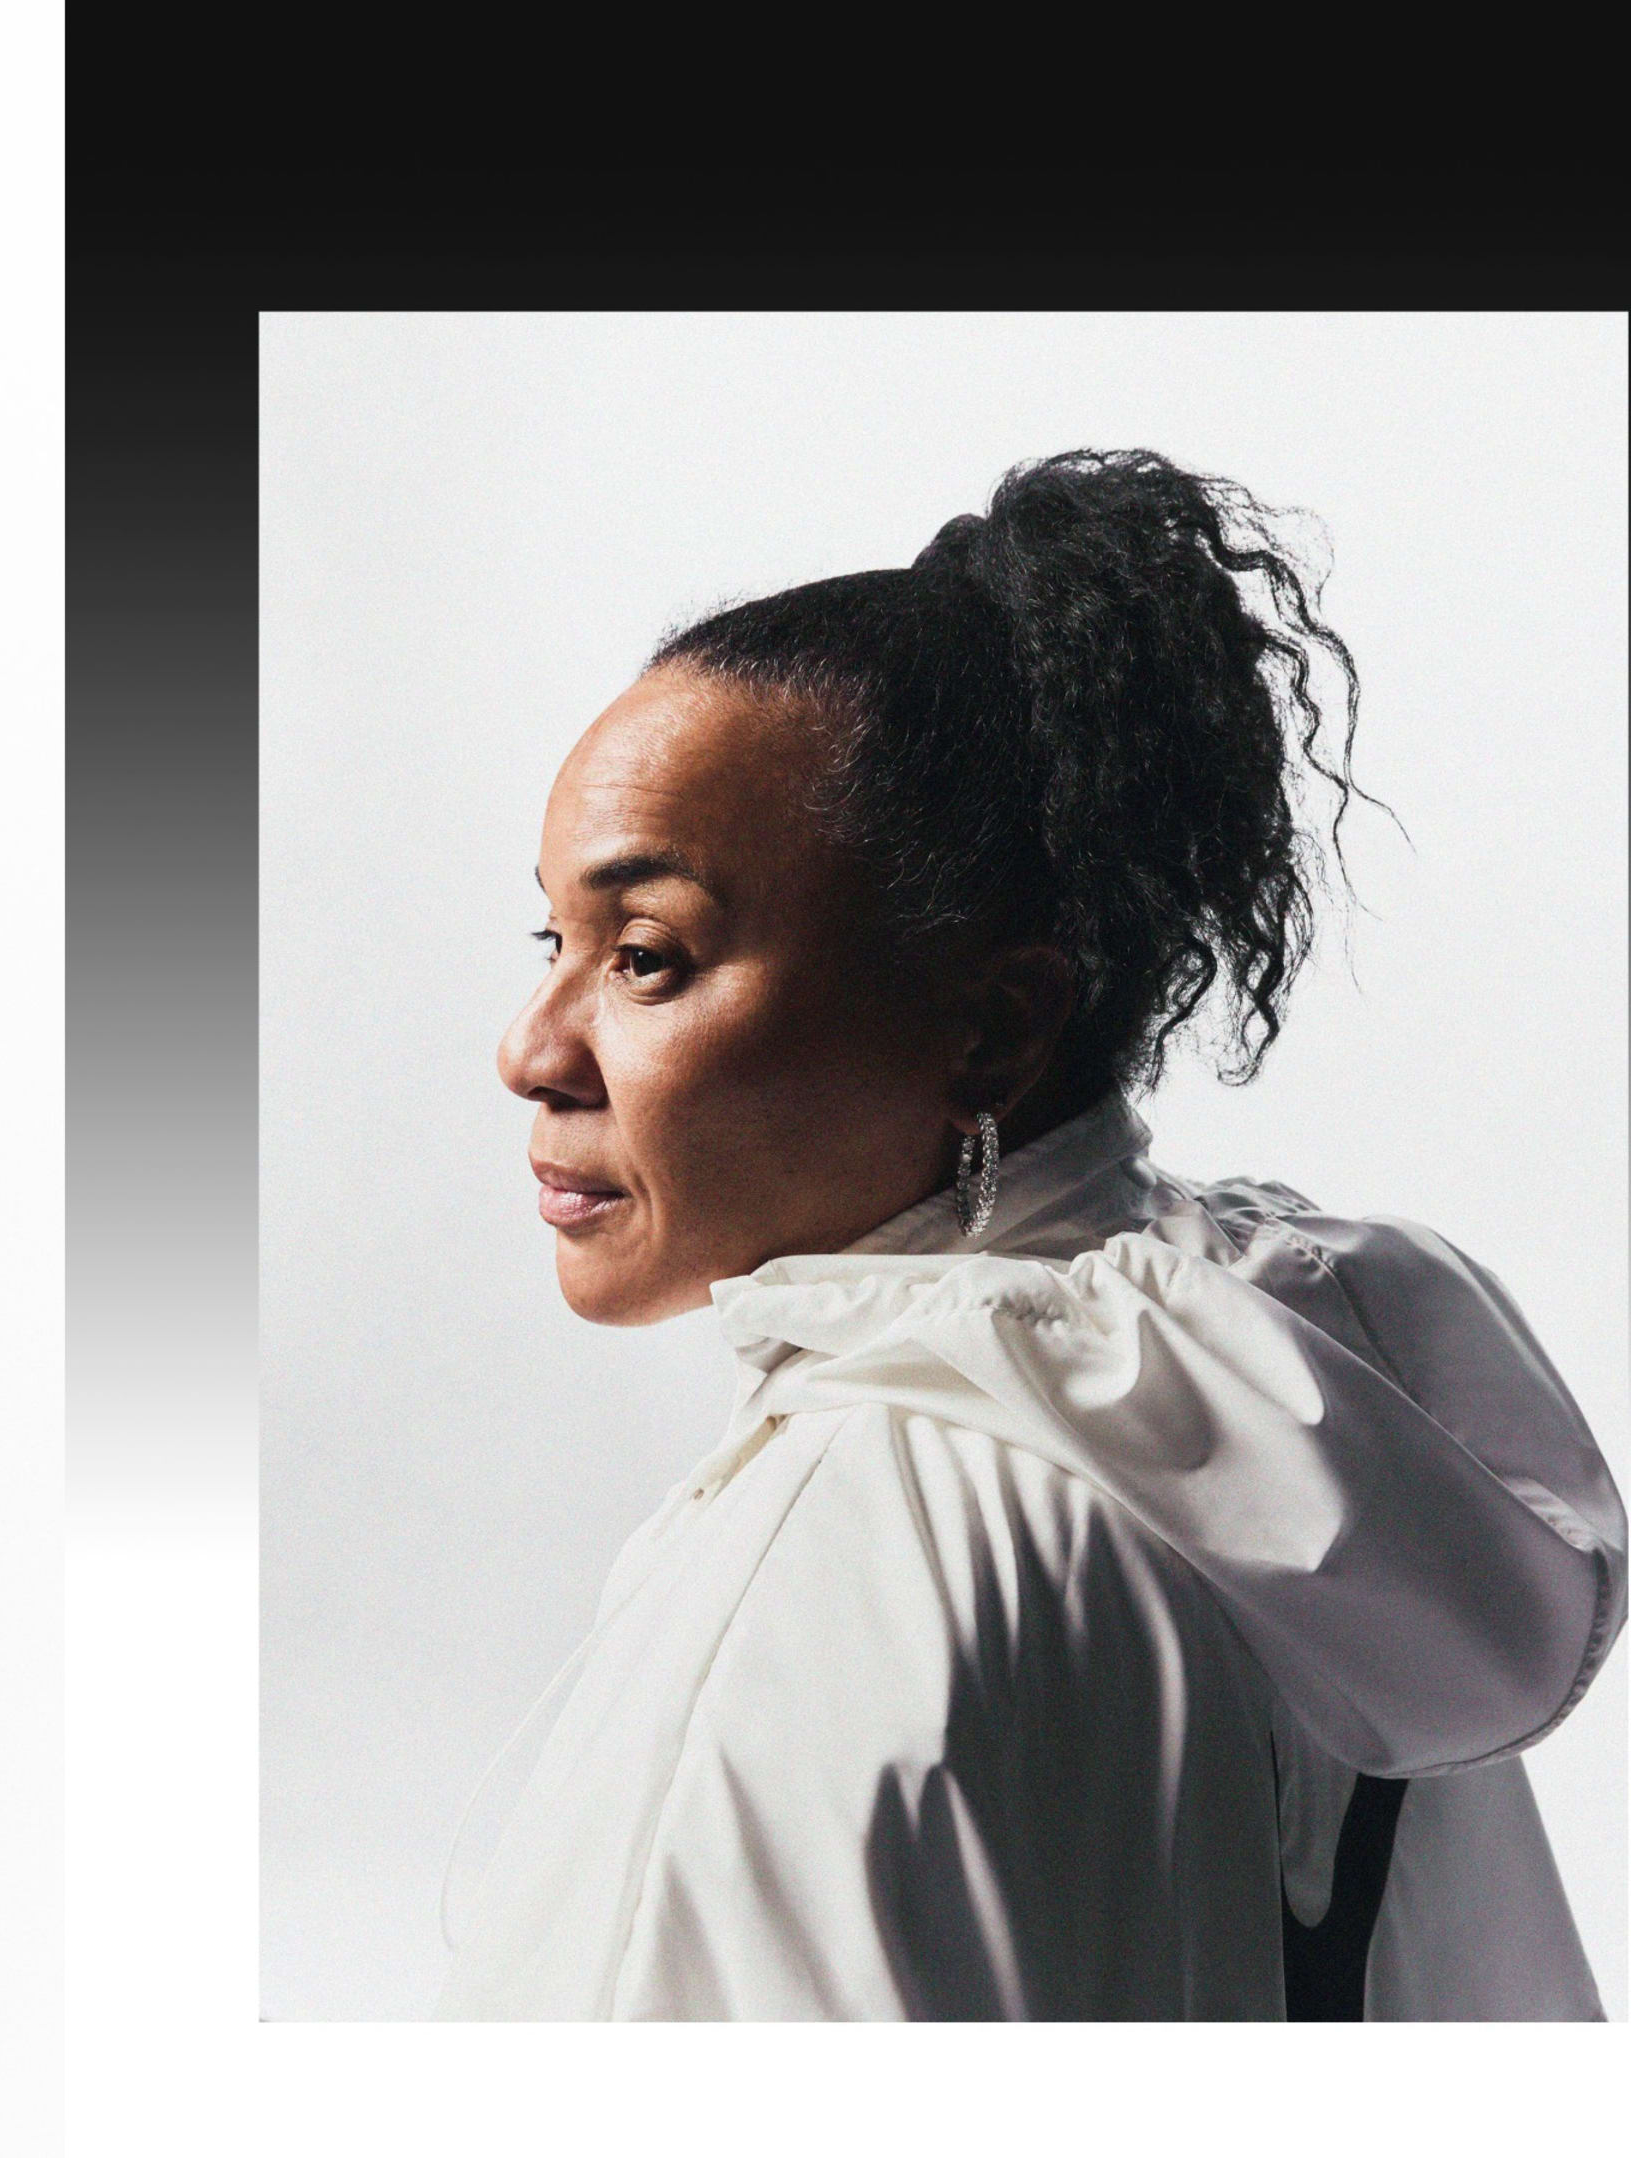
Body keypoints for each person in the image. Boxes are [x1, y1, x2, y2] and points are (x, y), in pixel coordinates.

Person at [450, 449, 1621, 2020]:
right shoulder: (1305, 1400)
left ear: (995, 1029)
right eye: (557, 936)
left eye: (647, 955)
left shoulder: (844, 1554)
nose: (533, 1046)